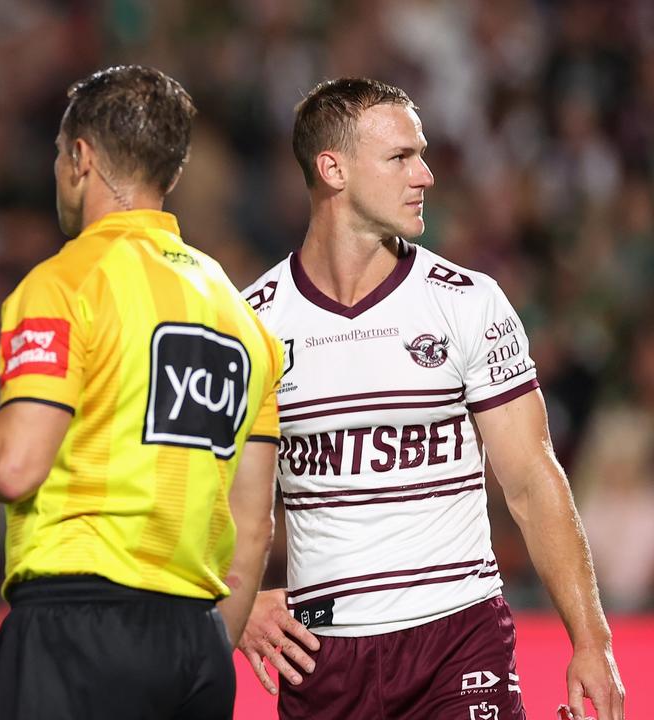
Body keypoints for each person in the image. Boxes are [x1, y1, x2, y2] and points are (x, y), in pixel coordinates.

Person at [238, 77, 625, 720]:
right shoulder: (252, 322)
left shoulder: (467, 301)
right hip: (323, 660)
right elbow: (207, 490)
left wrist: (593, 641)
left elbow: (531, 480)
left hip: (459, 638)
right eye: (400, 157)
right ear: (331, 169)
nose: (426, 174)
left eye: (421, 153)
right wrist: (237, 595)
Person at [0, 65, 283, 720]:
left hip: (77, 630)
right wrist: (204, 652)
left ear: (81, 158)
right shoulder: (244, 318)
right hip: (196, 648)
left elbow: (12, 466)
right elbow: (253, 525)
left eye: (60, 154)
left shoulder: (65, 283)